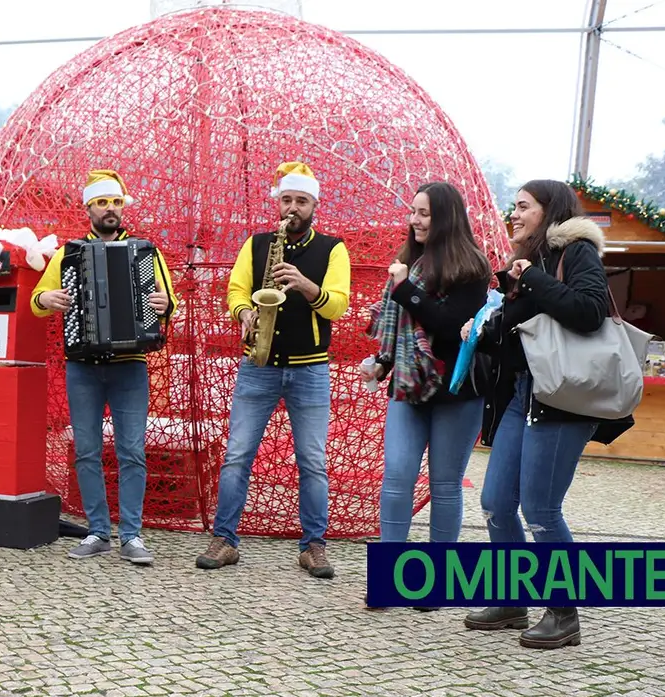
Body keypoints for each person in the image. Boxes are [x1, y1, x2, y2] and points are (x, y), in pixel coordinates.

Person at [460, 179, 625, 649]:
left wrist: (530, 277)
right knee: (494, 501)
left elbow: (590, 311)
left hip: (564, 400)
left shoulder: (576, 251)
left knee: (541, 508)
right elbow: (522, 332)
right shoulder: (529, 266)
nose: (513, 214)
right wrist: (486, 325)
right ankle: (512, 599)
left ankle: (563, 612)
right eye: (513, 206)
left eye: (523, 206)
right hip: (523, 395)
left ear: (549, 211)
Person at [195, 161, 351, 577]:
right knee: (237, 456)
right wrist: (243, 311)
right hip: (258, 365)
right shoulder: (257, 242)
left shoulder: (333, 248)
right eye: (287, 200)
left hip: (310, 369)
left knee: (312, 461)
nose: (293, 208)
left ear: (314, 203)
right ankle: (225, 539)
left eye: (301, 201)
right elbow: (235, 288)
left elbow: (338, 305)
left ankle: (313, 545)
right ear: (277, 202)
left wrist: (305, 284)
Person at [31, 170, 178, 565]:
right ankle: (98, 531)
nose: (110, 208)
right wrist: (47, 297)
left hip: (130, 365)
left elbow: (170, 301)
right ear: (89, 208)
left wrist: (165, 306)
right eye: (102, 202)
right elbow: (36, 298)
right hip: (83, 365)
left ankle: (131, 534)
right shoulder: (68, 253)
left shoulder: (148, 252)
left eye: (115, 202)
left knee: (132, 451)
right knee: (87, 451)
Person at [360, 182, 492, 608]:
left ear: (446, 217)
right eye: (413, 211)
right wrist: (382, 361)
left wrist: (404, 291)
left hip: (455, 390)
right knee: (397, 477)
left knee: (445, 484)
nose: (414, 220)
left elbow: (452, 323)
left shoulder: (472, 267)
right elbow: (400, 331)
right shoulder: (408, 261)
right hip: (408, 387)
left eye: (424, 213)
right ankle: (388, 580)